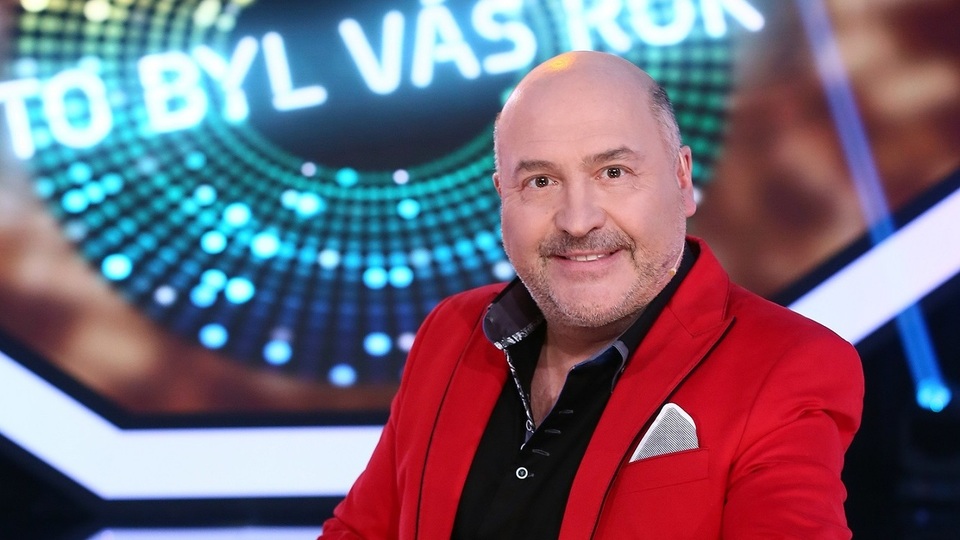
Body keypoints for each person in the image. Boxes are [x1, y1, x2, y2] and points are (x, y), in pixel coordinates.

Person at [320, 51, 864, 539]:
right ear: (501, 196)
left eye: (613, 172)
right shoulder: (451, 331)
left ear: (681, 178)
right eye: (540, 181)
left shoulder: (787, 366)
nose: (578, 221)